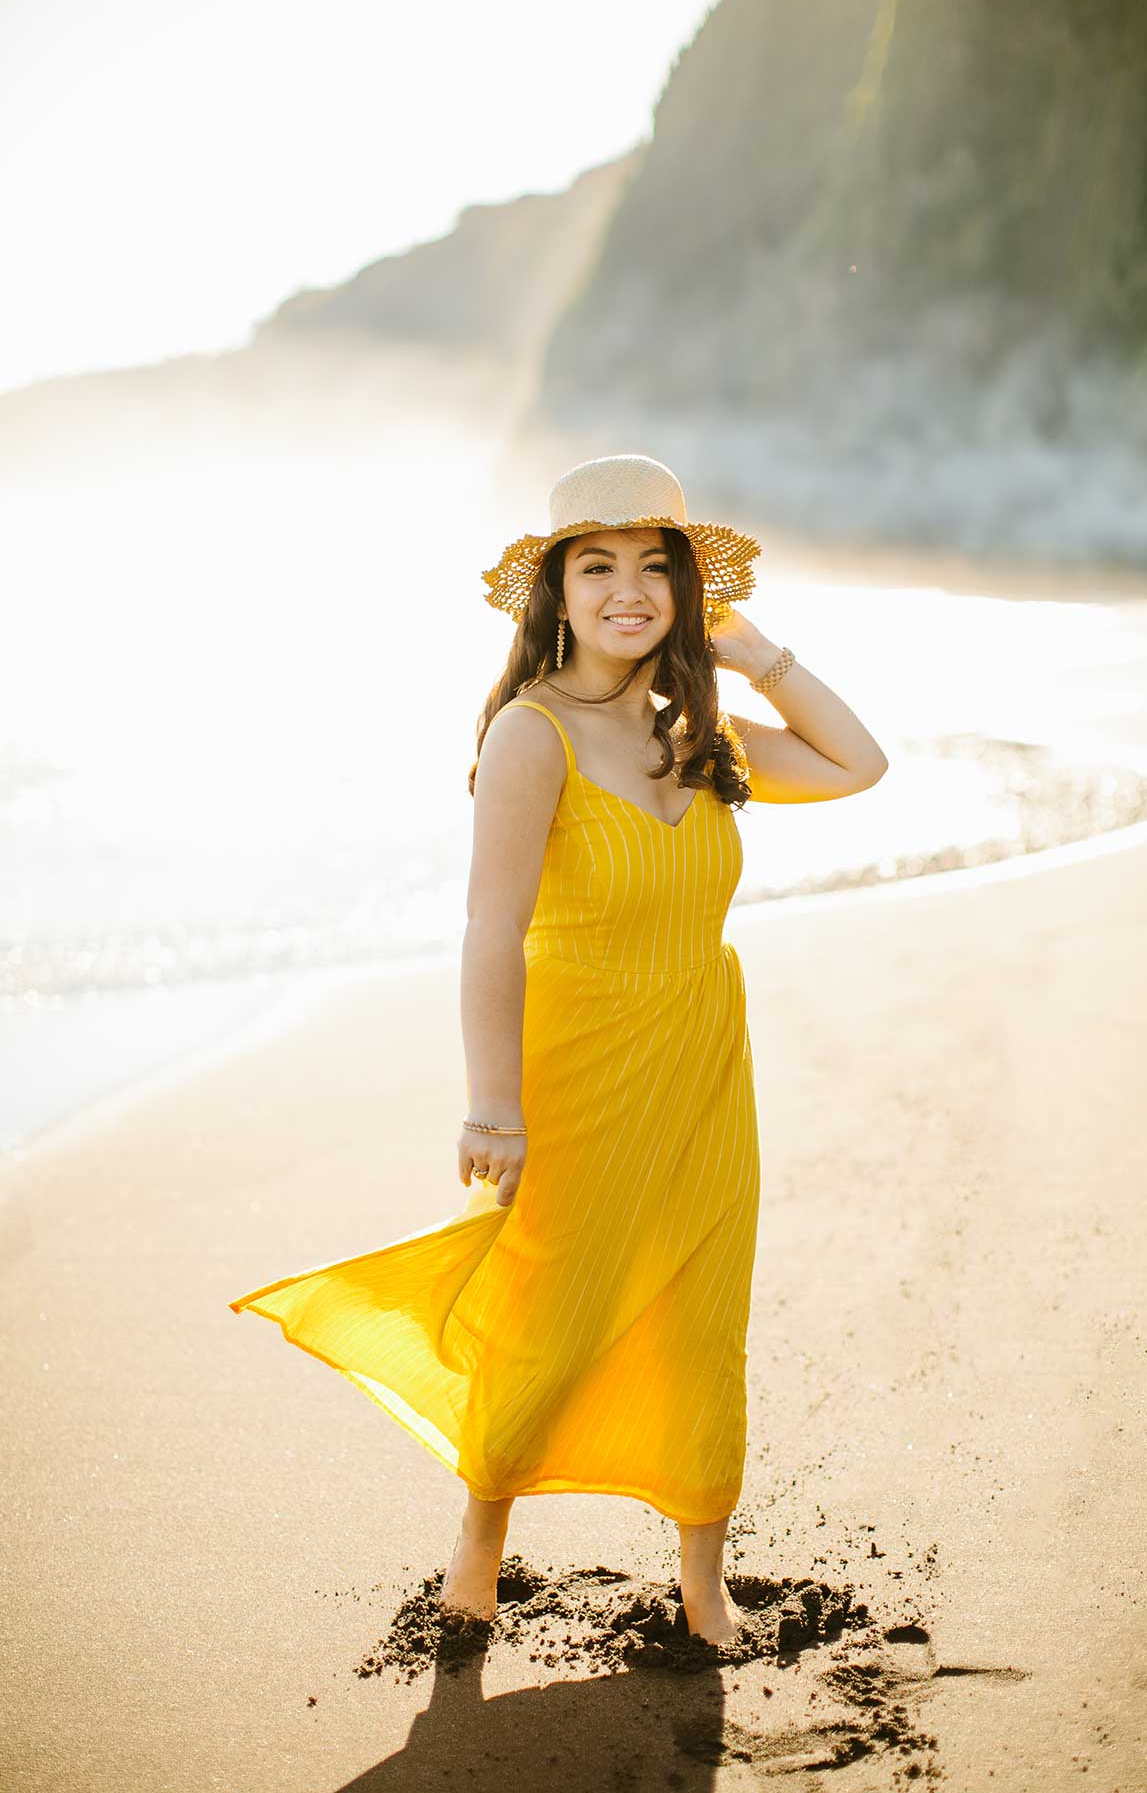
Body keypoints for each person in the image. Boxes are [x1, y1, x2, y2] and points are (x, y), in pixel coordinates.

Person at [230, 453, 888, 1647]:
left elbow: (859, 763)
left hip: (701, 1064)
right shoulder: (533, 735)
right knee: (552, 1308)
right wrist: (492, 1105)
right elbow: (490, 930)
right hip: (575, 1067)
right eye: (599, 567)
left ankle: (701, 1579)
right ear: (557, 594)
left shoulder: (702, 737)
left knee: (702, 1317)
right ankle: (479, 1551)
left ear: (690, 592)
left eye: (656, 567)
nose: (627, 590)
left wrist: (759, 654)